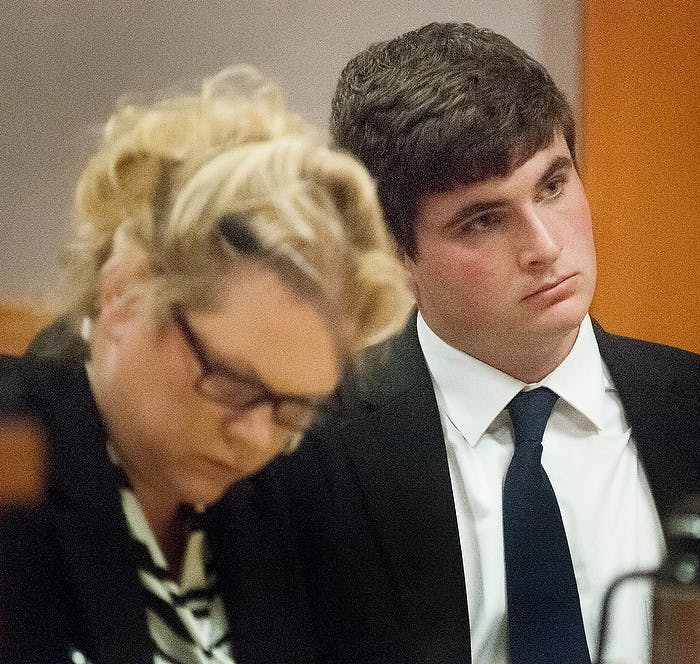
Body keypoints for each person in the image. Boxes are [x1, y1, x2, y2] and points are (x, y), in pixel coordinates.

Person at [289, 21, 700, 664]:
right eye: (483, 220)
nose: (544, 247)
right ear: (390, 248)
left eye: (553, 184)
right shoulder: (308, 449)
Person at [0, 65, 410, 663]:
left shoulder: (302, 489)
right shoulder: (14, 455)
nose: (256, 438)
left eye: (295, 409)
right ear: (123, 293)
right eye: (232, 385)